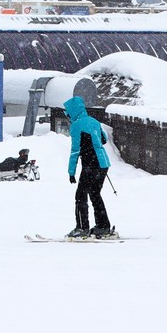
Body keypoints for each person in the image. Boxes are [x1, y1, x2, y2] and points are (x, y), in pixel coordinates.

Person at [64, 96, 113, 239]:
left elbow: (75, 151)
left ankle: (82, 228)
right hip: (103, 164)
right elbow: (104, 139)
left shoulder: (77, 125)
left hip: (90, 165)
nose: (67, 116)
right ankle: (103, 226)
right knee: (95, 194)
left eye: (68, 113)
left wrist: (71, 172)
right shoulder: (94, 121)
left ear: (73, 112)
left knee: (80, 195)